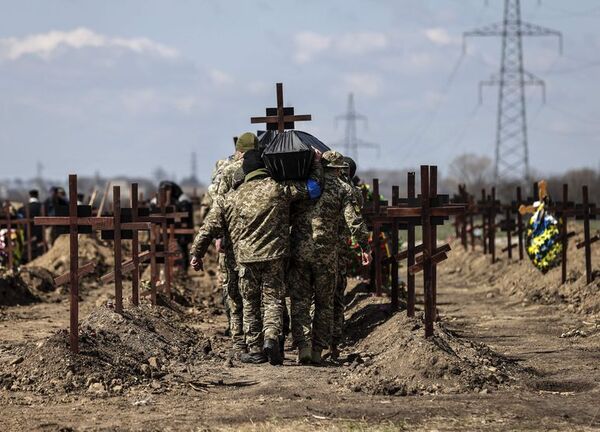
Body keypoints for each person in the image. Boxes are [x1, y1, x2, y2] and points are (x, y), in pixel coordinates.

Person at [190, 148, 322, 365]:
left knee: (249, 302)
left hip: (245, 258)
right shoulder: (278, 188)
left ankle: (255, 349)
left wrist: (197, 253)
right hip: (275, 255)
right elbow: (313, 190)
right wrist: (316, 164)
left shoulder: (229, 197)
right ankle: (271, 336)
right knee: (272, 299)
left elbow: (208, 228)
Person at [288, 150, 371, 365]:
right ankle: (317, 351)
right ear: (339, 170)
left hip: (299, 253)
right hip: (326, 256)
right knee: (325, 304)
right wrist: (364, 247)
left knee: (300, 302)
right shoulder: (343, 189)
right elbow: (354, 222)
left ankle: (302, 347)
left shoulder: (303, 187)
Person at [330, 156, 364, 359]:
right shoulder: (349, 191)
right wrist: (364, 247)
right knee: (334, 300)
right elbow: (355, 221)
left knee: (312, 300)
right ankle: (332, 345)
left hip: (310, 252)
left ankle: (308, 346)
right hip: (338, 253)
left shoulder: (318, 187)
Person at [17, 190, 44, 261]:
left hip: (27, 234)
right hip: (40, 234)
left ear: (29, 196)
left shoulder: (23, 208)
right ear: (37, 196)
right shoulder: (42, 207)